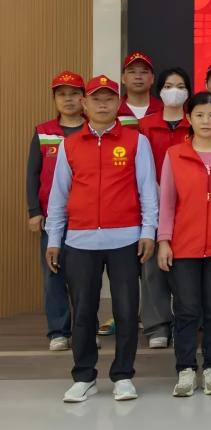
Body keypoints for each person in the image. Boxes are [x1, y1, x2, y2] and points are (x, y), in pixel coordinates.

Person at [45, 74, 158, 403]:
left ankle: (123, 375)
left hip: (125, 239)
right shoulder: (69, 144)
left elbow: (148, 191)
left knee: (126, 311)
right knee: (83, 312)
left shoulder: (136, 141)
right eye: (96, 98)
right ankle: (84, 376)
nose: (103, 104)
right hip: (79, 241)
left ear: (118, 103)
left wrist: (148, 231)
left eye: (109, 98)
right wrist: (54, 239)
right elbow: (58, 196)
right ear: (85, 104)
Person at [157, 92, 211, 396]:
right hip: (183, 246)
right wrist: (164, 240)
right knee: (186, 309)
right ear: (189, 118)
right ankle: (185, 369)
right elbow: (167, 201)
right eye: (199, 115)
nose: (206, 121)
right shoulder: (175, 155)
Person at [26, 71, 85, 351]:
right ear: (55, 99)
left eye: (74, 93)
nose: (68, 99)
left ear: (84, 98)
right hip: (52, 218)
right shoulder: (44, 132)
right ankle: (58, 331)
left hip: (86, 217)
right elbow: (32, 174)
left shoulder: (93, 130)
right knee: (54, 274)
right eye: (62, 94)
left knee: (85, 277)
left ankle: (85, 329)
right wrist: (34, 211)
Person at [138, 67, 193, 349]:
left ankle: (188, 321)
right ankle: (157, 325)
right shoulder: (145, 126)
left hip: (190, 204)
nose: (174, 91)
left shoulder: (194, 123)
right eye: (169, 86)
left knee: (187, 266)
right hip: (153, 203)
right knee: (152, 266)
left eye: (180, 86)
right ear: (159, 90)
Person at [118, 51, 163, 126]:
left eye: (144, 72)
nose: (138, 77)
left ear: (152, 78)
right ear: (123, 78)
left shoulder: (164, 110)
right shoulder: (114, 110)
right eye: (132, 72)